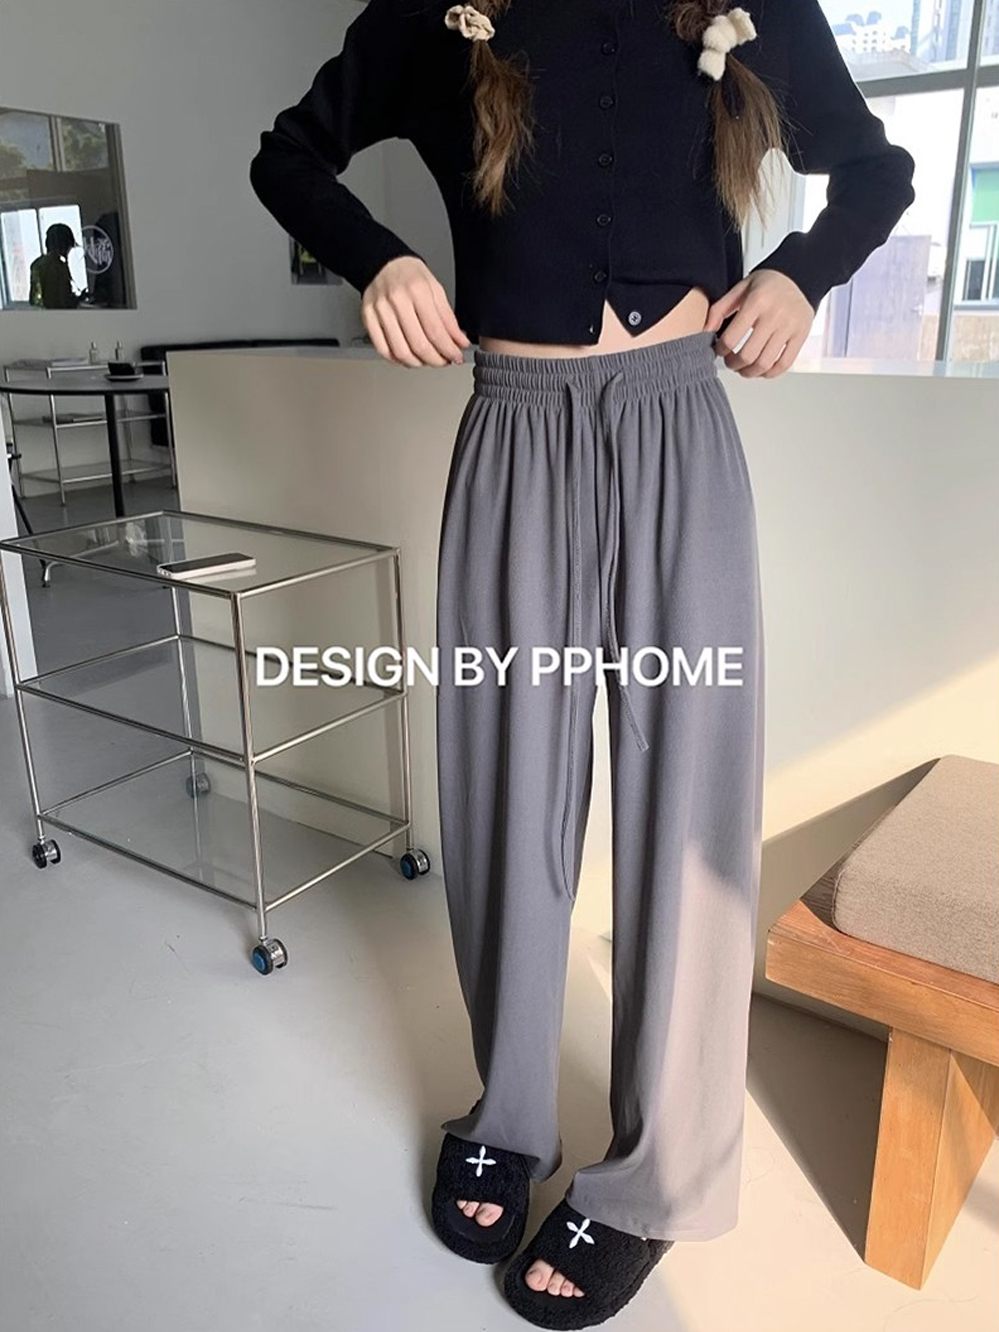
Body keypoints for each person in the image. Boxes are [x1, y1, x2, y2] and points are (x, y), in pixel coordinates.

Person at [249, 0, 914, 1323]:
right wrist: (378, 259)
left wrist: (800, 273)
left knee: (691, 816)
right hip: (510, 430)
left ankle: (657, 1178)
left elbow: (877, 169)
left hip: (678, 424)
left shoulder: (748, 5)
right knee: (507, 791)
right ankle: (506, 1113)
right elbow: (290, 155)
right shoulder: (432, 13)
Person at [29, 223, 84, 309]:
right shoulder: (58, 266)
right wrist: (78, 299)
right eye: (68, 247)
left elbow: (34, 300)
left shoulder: (37, 264)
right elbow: (64, 302)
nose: (68, 251)